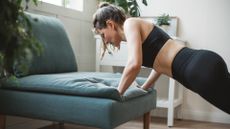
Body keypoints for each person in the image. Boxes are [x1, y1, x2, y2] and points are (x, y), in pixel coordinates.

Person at [92, 2, 230, 114]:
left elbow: (134, 64)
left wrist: (117, 93)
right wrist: (145, 86)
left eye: (103, 35)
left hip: (198, 69)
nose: (105, 41)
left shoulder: (130, 24)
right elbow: (158, 65)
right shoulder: (134, 32)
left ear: (110, 24)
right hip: (201, 65)